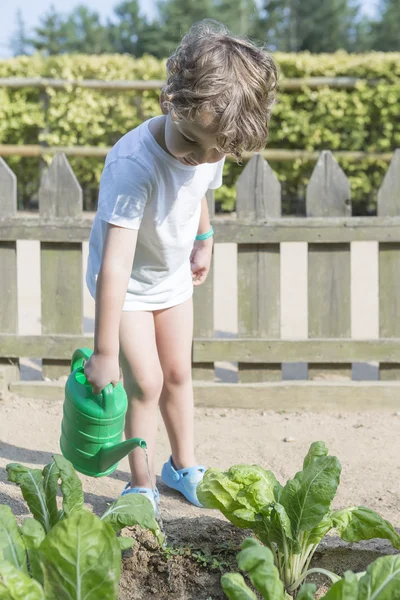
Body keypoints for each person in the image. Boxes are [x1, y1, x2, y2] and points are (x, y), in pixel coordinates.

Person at [84, 19, 277, 511]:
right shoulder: (133, 165)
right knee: (144, 382)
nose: (203, 159)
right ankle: (141, 483)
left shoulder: (210, 139)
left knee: (177, 375)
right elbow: (114, 262)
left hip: (169, 275)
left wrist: (204, 239)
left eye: (217, 152)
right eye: (194, 144)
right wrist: (104, 351)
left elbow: (198, 195)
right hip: (124, 286)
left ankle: (182, 467)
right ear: (173, 101)